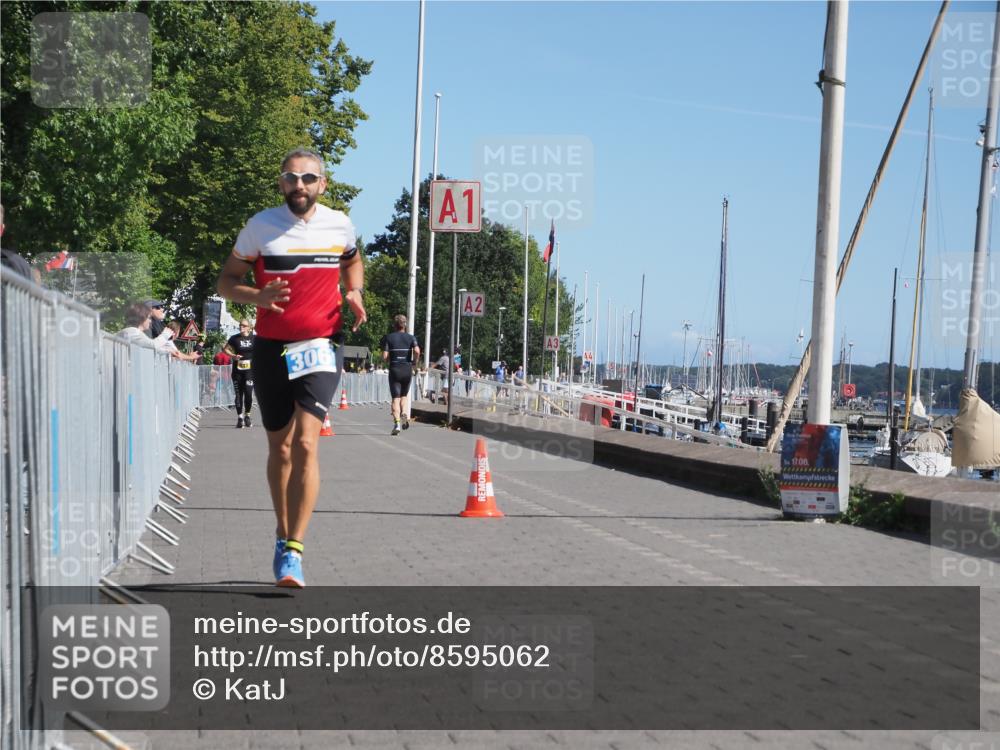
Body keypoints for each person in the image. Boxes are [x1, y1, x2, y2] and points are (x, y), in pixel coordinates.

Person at [216, 147, 365, 588]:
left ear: (322, 184)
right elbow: (226, 282)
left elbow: (352, 259)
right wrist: (256, 297)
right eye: (290, 178)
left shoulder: (339, 224)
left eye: (308, 178)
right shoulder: (260, 227)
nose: (299, 185)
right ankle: (282, 536)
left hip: (319, 344)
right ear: (281, 183)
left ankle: (295, 550)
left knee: (306, 443)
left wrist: (353, 291)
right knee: (279, 448)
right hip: (270, 348)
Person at [380, 314, 420, 435]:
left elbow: (384, 356)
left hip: (395, 369)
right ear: (405, 325)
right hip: (407, 369)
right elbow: (417, 351)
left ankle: (397, 423)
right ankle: (404, 413)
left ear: (395, 325)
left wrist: (386, 360)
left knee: (395, 398)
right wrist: (414, 362)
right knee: (404, 396)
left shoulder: (389, 337)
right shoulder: (411, 337)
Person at [224, 319, 257, 428]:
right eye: (240, 325)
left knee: (248, 394)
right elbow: (225, 349)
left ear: (249, 327)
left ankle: (247, 415)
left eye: (244, 325)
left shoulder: (254, 338)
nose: (241, 327)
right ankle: (240, 418)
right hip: (237, 371)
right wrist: (233, 356)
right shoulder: (234, 338)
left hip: (250, 371)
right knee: (238, 394)